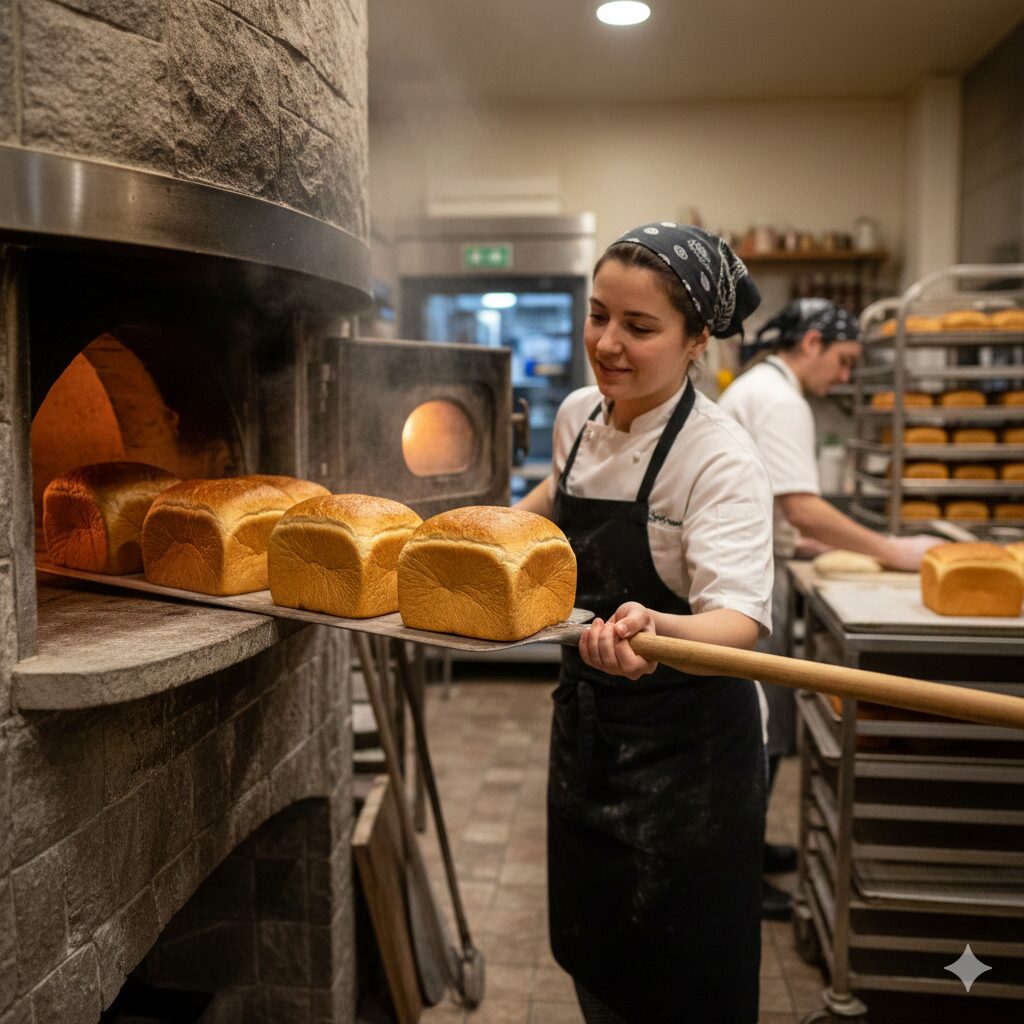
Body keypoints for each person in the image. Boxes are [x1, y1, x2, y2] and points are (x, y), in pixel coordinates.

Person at [517, 223, 773, 1024]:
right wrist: (459, 537)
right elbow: (547, 507)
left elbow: (737, 627)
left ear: (698, 339)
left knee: (684, 980)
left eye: (639, 327)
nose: (607, 344)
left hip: (690, 764)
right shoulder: (578, 416)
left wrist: (655, 631)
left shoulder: (718, 458)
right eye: (598, 316)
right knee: (599, 955)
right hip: (591, 740)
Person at [718, 299, 940, 918]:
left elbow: (778, 507)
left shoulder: (758, 388)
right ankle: (739, 875)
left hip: (744, 569)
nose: (843, 378)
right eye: (843, 362)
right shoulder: (782, 400)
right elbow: (802, 508)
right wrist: (894, 550)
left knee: (764, 724)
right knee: (761, 729)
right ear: (811, 343)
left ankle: (750, 852)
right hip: (749, 583)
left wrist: (814, 539)